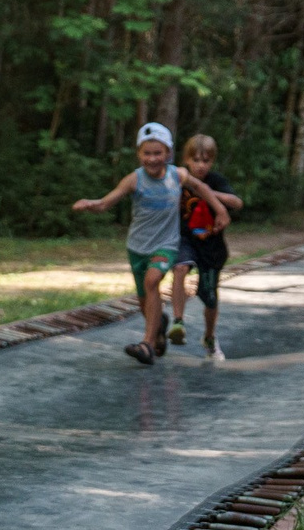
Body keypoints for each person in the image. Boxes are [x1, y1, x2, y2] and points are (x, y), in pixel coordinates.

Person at [73, 123, 234, 366]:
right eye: (146, 153)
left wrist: (220, 210)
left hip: (166, 245)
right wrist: (91, 204)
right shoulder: (134, 179)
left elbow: (201, 188)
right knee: (144, 299)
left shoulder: (177, 175)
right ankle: (158, 328)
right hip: (137, 247)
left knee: (152, 281)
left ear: (168, 153)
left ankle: (146, 345)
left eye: (158, 153)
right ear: (139, 154)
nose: (152, 158)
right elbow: (107, 202)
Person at [171, 134, 245, 357]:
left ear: (212, 161)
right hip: (185, 239)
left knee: (209, 297)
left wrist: (208, 192)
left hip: (211, 246)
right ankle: (178, 322)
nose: (201, 165)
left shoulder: (216, 181)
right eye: (196, 160)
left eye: (206, 160)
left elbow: (237, 202)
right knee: (180, 268)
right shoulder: (179, 178)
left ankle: (210, 336)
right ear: (186, 159)